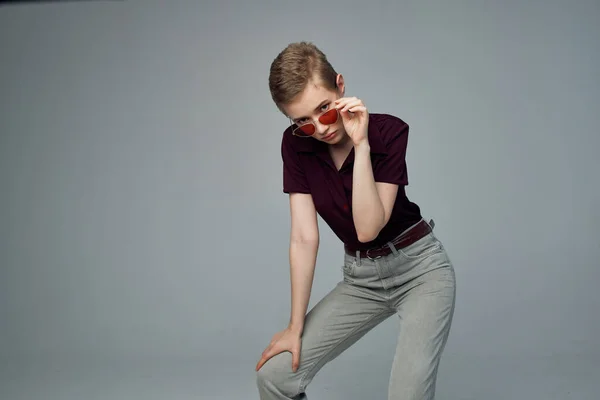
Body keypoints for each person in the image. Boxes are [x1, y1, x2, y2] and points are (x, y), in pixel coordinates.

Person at [255, 41, 456, 400]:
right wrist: (294, 325)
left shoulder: (389, 132)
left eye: (324, 109)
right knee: (274, 376)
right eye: (303, 121)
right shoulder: (294, 145)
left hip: (420, 271)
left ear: (341, 86)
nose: (320, 128)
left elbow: (368, 228)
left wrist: (361, 145)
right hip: (361, 278)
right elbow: (304, 237)